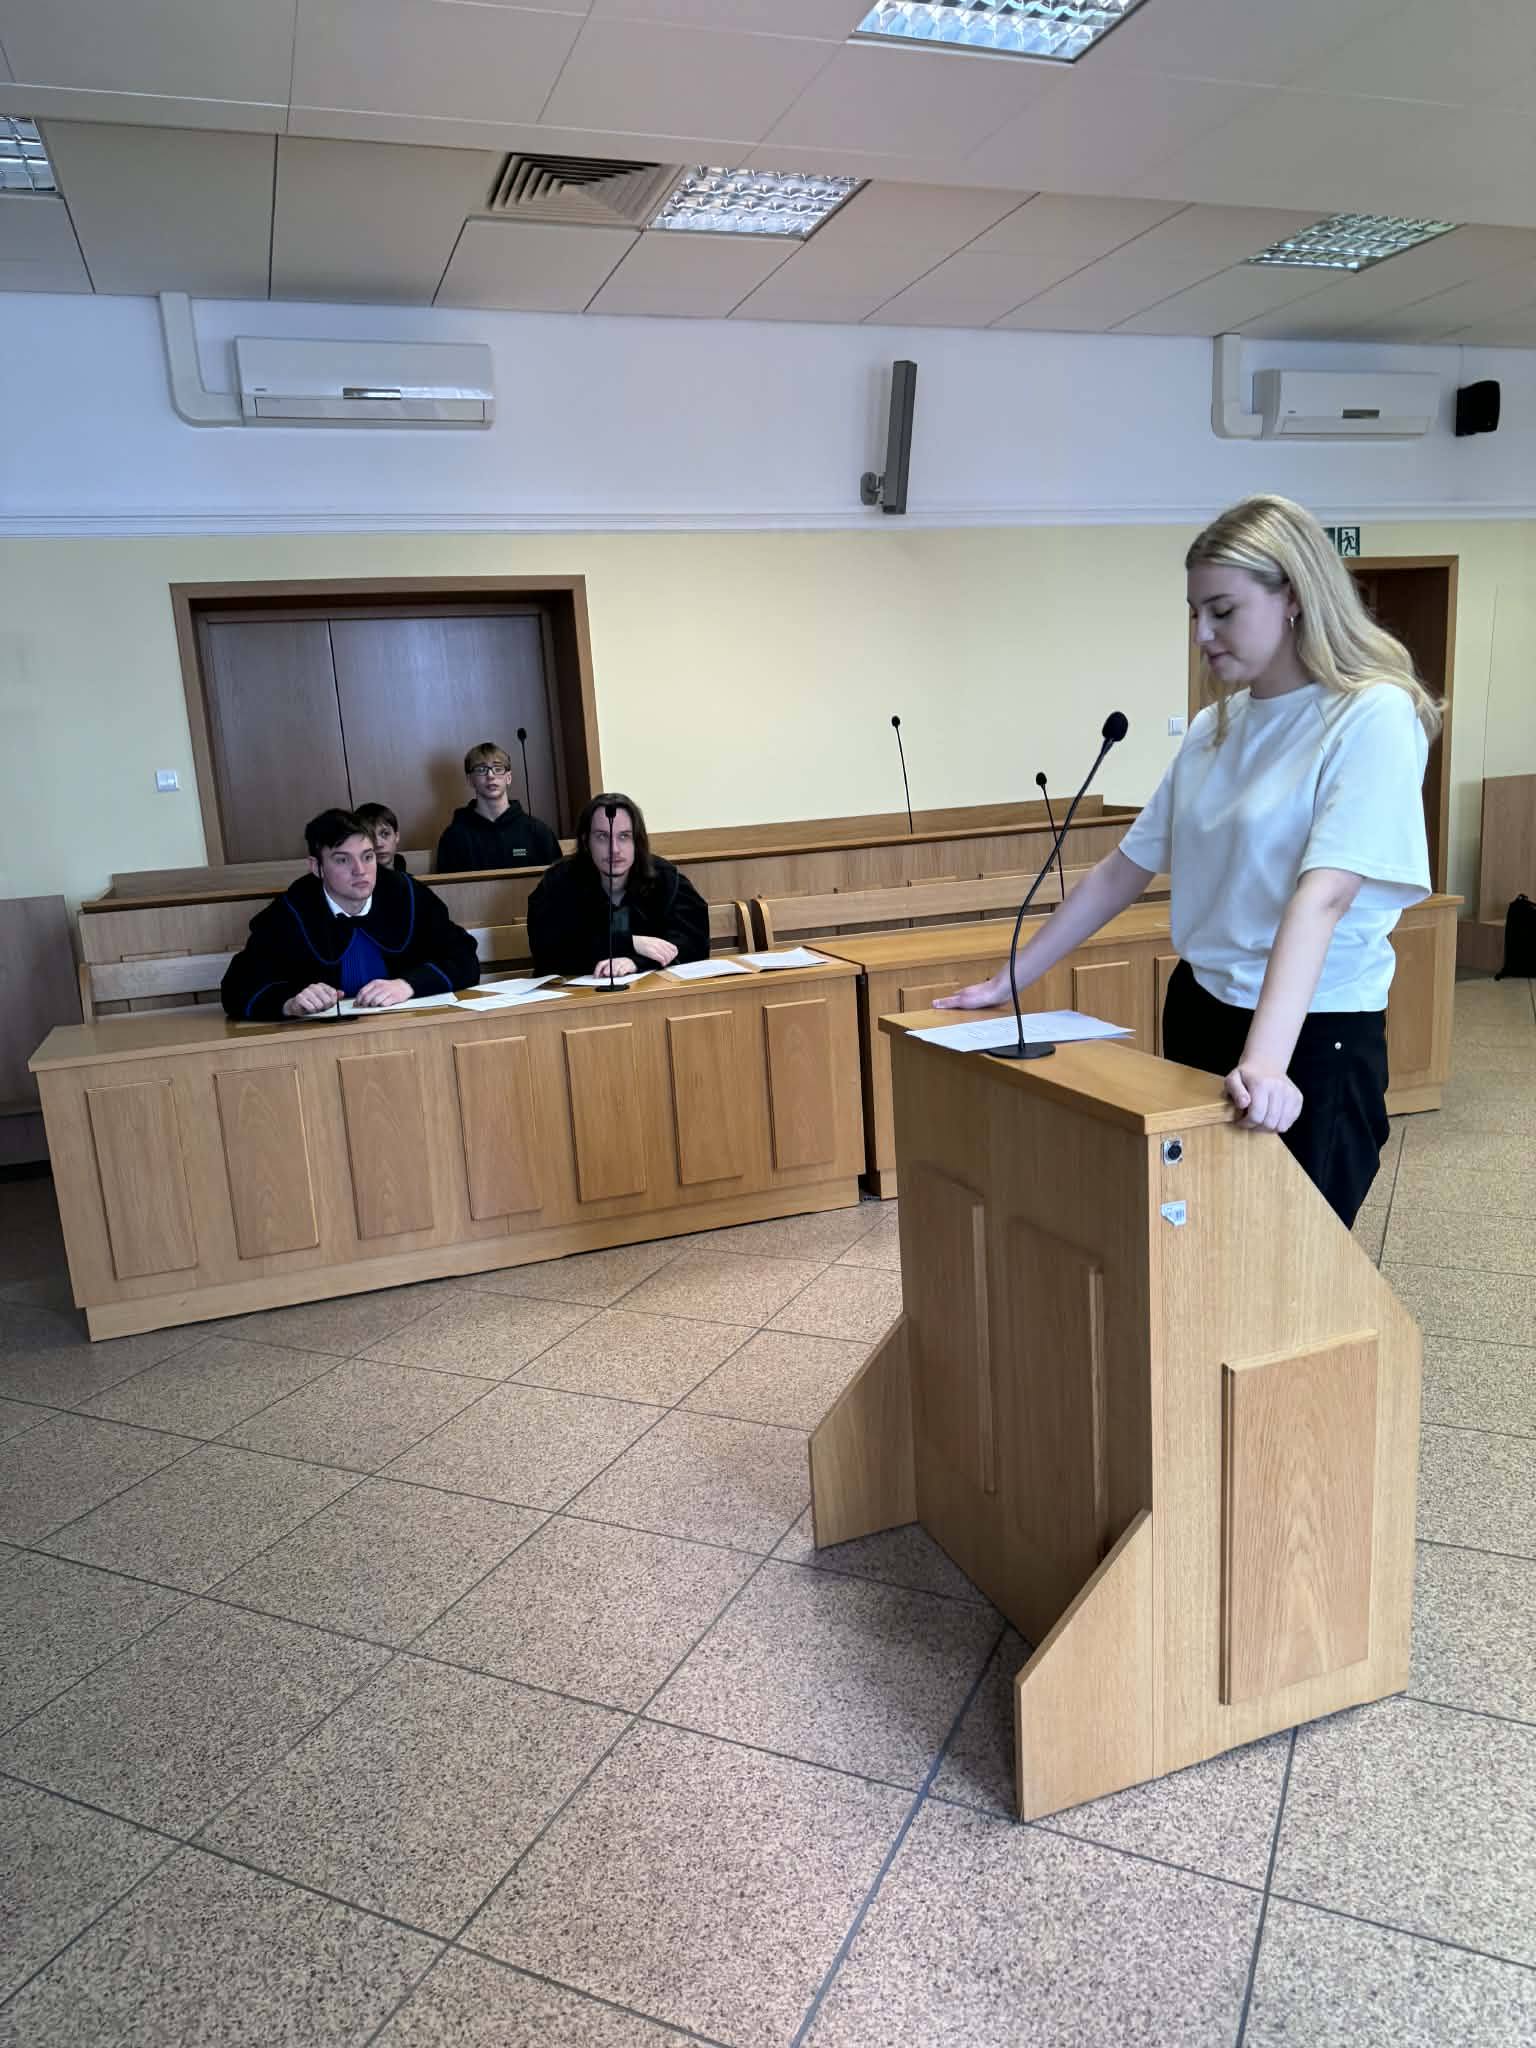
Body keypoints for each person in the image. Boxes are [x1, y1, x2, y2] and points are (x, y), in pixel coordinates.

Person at [937, 493, 1439, 1227]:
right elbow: (1123, 870)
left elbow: (1324, 896)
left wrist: (1265, 1062)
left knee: (1292, 1257)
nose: (1202, 633)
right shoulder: (1214, 727)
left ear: (1294, 597)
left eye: (1223, 610)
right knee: (1196, 1238)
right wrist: (1011, 978)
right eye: (1194, 612)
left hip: (1310, 1029)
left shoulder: (1372, 713)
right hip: (1201, 1007)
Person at [221, 808, 481, 1020]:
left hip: (406, 1026)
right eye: (342, 860)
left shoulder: (407, 894)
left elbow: (464, 957)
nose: (360, 870)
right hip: (320, 1042)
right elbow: (236, 988)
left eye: (367, 857)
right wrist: (289, 1003)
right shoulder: (291, 912)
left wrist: (408, 984)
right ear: (316, 867)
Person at [527, 791, 710, 981]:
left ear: (637, 842)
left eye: (624, 836)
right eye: (602, 837)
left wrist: (636, 962)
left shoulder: (666, 878)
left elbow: (694, 944)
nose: (614, 849)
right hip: (576, 994)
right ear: (586, 841)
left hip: (653, 992)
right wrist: (630, 943)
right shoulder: (558, 882)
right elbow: (549, 951)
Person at [433, 742, 561, 873]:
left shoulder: (538, 832)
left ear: (508, 778)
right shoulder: (454, 837)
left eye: (498, 769)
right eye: (481, 770)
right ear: (470, 780)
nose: (490, 775)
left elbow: (558, 880)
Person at [355, 801, 407, 872]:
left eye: (385, 834)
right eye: (370, 836)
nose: (378, 844)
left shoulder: (400, 865)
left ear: (396, 836)